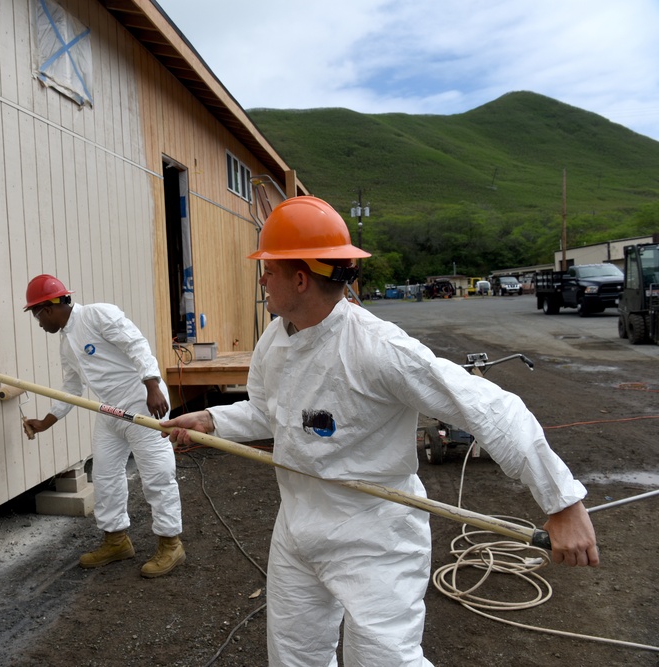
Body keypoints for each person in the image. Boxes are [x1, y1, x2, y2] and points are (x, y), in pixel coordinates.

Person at [161, 196, 598, 666]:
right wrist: (214, 420)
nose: (262, 278)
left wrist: (563, 503)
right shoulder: (275, 340)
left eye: (269, 268)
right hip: (297, 530)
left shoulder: (377, 349)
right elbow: (274, 413)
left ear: (301, 278)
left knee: (384, 661)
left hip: (376, 538)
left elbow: (492, 409)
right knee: (293, 657)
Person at [22, 274, 185, 578]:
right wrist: (46, 422)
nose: (39, 323)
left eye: (36, 315)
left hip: (141, 402)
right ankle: (116, 540)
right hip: (109, 411)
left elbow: (135, 343)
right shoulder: (66, 345)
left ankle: (170, 542)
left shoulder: (97, 314)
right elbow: (71, 389)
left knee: (158, 475)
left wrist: (152, 385)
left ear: (47, 309)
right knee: (105, 475)